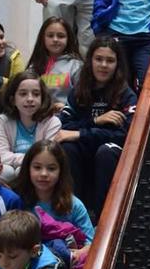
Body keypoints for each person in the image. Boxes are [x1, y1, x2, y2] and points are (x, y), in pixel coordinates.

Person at [56, 36, 137, 217]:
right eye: (99, 59)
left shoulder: (126, 95)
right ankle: (74, 214)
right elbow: (64, 127)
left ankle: (102, 220)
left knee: (105, 151)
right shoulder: (79, 91)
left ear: (117, 64)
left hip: (110, 154)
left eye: (110, 60)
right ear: (90, 61)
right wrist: (96, 122)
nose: (103, 65)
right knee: (67, 147)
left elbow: (124, 135)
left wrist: (80, 133)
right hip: (84, 151)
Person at [11, 140, 96, 259]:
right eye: (37, 167)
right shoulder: (17, 202)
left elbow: (91, 244)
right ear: (28, 168)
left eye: (51, 168)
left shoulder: (74, 204)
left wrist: (73, 256)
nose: (44, 174)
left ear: (61, 171)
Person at [0, 73, 62, 183]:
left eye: (36, 94)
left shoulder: (52, 122)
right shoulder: (4, 120)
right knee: (5, 172)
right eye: (23, 94)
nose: (30, 99)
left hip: (39, 170)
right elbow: (0, 155)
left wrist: (23, 163)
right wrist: (26, 159)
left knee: (23, 171)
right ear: (12, 100)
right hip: (11, 166)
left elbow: (46, 157)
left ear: (42, 98)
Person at [27, 17, 85, 108]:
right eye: (50, 35)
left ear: (68, 38)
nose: (55, 39)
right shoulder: (34, 66)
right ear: (43, 38)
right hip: (38, 117)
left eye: (61, 36)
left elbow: (83, 98)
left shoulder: (76, 66)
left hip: (66, 118)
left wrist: (67, 107)